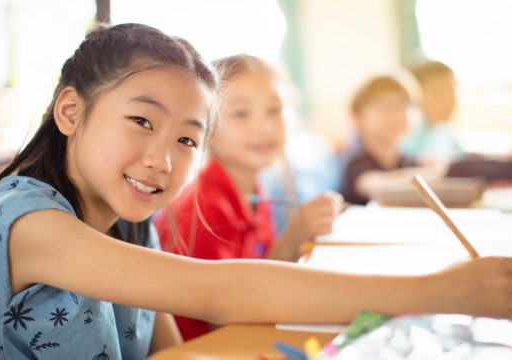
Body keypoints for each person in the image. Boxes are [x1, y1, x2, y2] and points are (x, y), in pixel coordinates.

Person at [0, 24, 511, 359]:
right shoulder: (29, 222)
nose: (162, 158)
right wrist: (442, 292)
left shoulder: (132, 220)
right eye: (141, 120)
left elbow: (170, 353)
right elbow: (219, 291)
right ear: (71, 111)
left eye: (188, 138)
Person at [153, 54, 342, 340]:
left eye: (275, 110)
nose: (264, 126)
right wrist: (292, 239)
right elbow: (227, 313)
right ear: (207, 125)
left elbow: (263, 274)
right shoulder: (201, 210)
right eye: (241, 113)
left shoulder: (254, 191)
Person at [338, 75, 445, 205]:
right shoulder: (354, 159)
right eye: (384, 105)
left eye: (402, 105)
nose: (395, 114)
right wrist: (440, 173)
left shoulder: (405, 159)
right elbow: (374, 186)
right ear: (357, 116)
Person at [401, 60, 464, 163]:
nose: (449, 102)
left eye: (452, 91)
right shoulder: (405, 138)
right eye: (438, 93)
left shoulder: (447, 133)